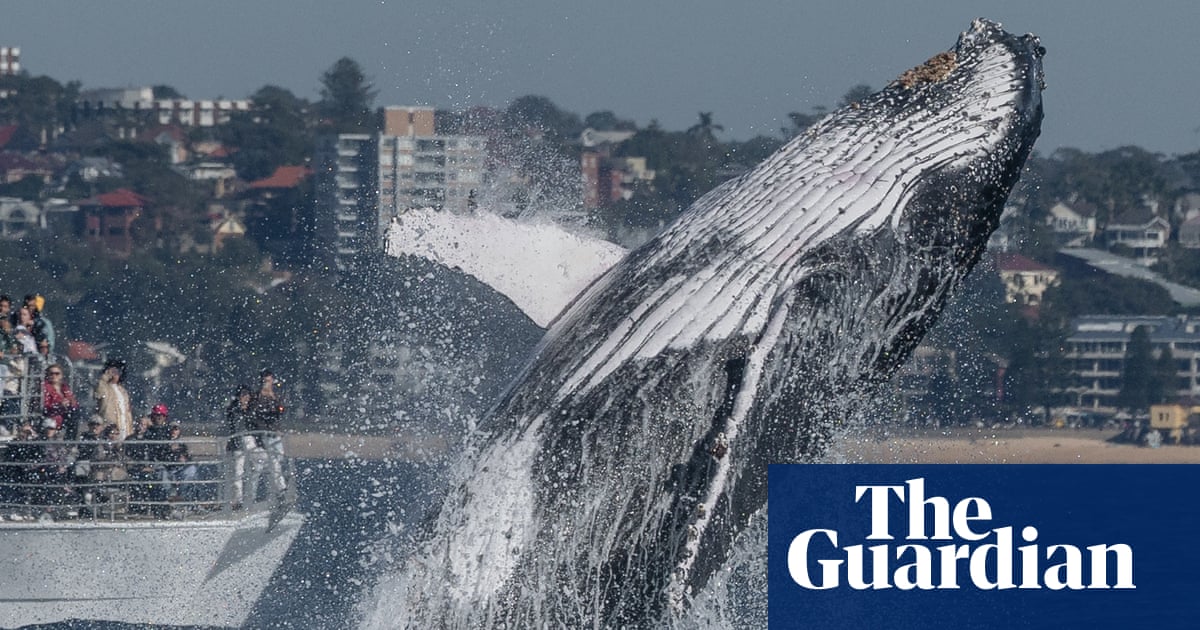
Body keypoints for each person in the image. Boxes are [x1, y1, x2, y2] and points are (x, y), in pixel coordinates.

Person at [249, 370, 287, 496]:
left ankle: (275, 487)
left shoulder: (276, 395)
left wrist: (273, 398)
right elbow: (256, 414)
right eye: (265, 381)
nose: (267, 384)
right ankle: (275, 489)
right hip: (263, 433)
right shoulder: (257, 396)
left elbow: (280, 411)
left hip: (275, 432)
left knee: (279, 458)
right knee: (264, 464)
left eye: (269, 381)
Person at [225, 384, 262, 508]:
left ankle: (252, 495)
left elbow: (255, 425)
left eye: (247, 395)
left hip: (250, 440)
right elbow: (235, 425)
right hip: (237, 443)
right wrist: (242, 411)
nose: (246, 398)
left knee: (258, 464)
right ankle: (238, 499)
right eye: (243, 395)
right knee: (238, 471)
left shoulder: (252, 409)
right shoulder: (233, 410)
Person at [94, 359, 133, 440]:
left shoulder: (122, 390)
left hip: (124, 426)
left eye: (117, 372)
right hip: (110, 428)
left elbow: (127, 411)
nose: (115, 375)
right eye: (113, 372)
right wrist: (105, 376)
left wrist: (130, 428)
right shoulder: (104, 387)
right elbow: (98, 394)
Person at [42, 363, 80, 439]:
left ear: (61, 375)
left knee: (75, 413)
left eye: (57, 373)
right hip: (52, 416)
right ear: (47, 375)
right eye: (51, 373)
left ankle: (70, 441)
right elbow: (45, 407)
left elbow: (74, 403)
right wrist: (59, 405)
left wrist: (69, 404)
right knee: (72, 417)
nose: (54, 376)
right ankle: (69, 440)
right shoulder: (44, 388)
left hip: (65, 416)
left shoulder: (64, 388)